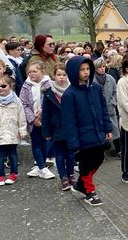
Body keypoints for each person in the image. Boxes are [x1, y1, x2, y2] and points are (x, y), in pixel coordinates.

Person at [63, 56, 113, 206]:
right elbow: (68, 121)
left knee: (98, 159)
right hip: (82, 136)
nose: (86, 72)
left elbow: (104, 109)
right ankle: (90, 192)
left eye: (87, 69)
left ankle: (80, 185)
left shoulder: (95, 88)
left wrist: (108, 128)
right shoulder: (69, 94)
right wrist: (73, 143)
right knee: (86, 164)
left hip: (98, 132)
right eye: (82, 70)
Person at [0, 76, 26, 186]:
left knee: (13, 154)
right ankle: (0, 175)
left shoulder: (16, 100)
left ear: (10, 86)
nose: (0, 88)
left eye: (3, 86)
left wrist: (22, 130)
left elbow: (21, 116)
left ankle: (13, 173)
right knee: (0, 155)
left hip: (13, 132)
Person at [42, 62, 76, 191]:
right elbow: (46, 114)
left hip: (70, 128)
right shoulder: (49, 93)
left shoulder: (72, 90)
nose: (61, 77)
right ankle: (63, 177)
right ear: (54, 76)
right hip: (56, 128)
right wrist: (46, 132)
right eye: (58, 75)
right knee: (60, 155)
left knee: (71, 154)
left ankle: (71, 174)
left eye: (64, 75)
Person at [20, 61, 55, 179]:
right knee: (36, 143)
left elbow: (52, 101)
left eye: (34, 71)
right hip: (33, 120)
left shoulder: (49, 84)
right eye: (29, 72)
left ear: (42, 71)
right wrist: (32, 118)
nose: (31, 74)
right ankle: (41, 167)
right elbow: (23, 104)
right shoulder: (26, 85)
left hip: (46, 119)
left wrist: (43, 113)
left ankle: (41, 166)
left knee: (46, 142)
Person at [94, 59, 121, 157]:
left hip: (110, 107)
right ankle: (102, 152)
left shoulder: (110, 78)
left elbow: (115, 91)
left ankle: (119, 149)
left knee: (114, 129)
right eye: (99, 67)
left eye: (103, 67)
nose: (102, 69)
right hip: (98, 109)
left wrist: (113, 102)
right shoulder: (92, 80)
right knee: (100, 131)